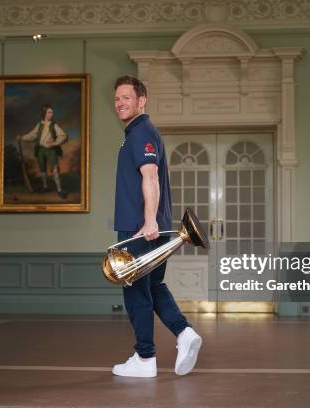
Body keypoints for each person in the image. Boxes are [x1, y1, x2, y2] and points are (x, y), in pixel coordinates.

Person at [111, 75, 202, 378]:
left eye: (126, 97)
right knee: (153, 286)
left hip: (140, 229)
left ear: (142, 100)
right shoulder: (141, 132)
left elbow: (150, 177)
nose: (120, 103)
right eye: (117, 99)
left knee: (136, 291)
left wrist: (148, 220)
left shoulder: (141, 133)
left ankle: (145, 358)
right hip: (152, 229)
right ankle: (184, 332)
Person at [17, 106, 68, 198]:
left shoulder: (54, 125)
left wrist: (55, 143)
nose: (51, 114)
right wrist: (22, 137)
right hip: (40, 150)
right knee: (42, 169)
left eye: (52, 112)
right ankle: (45, 187)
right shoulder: (39, 125)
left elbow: (63, 136)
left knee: (55, 169)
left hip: (51, 150)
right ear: (44, 113)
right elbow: (32, 135)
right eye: (49, 112)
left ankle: (59, 190)